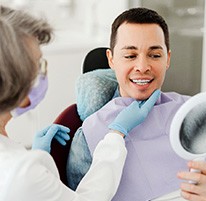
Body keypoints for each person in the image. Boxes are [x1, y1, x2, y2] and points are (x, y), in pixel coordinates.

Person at [67, 7, 206, 201]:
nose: (143, 67)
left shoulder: (197, 115)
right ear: (111, 60)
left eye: (154, 55)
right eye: (130, 56)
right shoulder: (89, 135)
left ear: (167, 59)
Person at [0, 5, 161, 201]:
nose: (143, 67)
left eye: (155, 55)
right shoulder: (22, 172)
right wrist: (116, 133)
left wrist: (36, 154)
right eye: (38, 65)